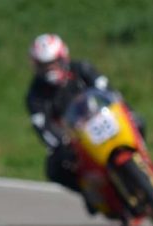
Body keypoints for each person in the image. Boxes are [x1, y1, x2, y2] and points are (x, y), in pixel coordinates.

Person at [25, 33, 144, 212]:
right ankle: (91, 194)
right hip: (75, 139)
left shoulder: (82, 69)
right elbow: (42, 126)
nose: (49, 69)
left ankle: (142, 158)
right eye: (44, 65)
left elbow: (109, 91)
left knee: (139, 122)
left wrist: (128, 110)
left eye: (52, 63)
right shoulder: (35, 94)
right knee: (54, 169)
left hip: (102, 119)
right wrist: (61, 143)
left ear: (62, 58)